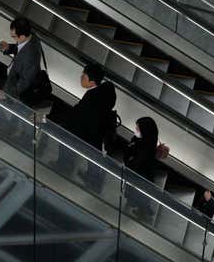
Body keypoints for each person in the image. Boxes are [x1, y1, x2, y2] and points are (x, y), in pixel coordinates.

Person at [58, 64, 116, 192]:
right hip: (98, 130)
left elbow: (79, 113)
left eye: (83, 76)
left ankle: (65, 166)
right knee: (94, 156)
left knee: (64, 137)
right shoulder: (107, 91)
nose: (80, 78)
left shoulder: (92, 96)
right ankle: (93, 180)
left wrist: (63, 121)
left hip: (89, 130)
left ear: (92, 81)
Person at [123, 117, 159, 218]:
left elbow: (134, 164)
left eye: (138, 129)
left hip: (140, 178)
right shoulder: (147, 143)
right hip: (143, 177)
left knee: (140, 197)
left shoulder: (143, 149)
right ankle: (144, 210)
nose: (135, 130)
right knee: (142, 198)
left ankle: (144, 211)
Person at [0, 17, 41, 102]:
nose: (12, 38)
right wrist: (8, 48)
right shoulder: (29, 37)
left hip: (18, 92)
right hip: (14, 78)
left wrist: (7, 95)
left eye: (14, 36)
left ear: (22, 36)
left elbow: (25, 82)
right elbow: (20, 49)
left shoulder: (31, 55)